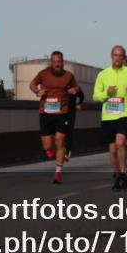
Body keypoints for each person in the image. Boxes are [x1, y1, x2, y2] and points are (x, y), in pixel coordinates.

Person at [93, 45, 127, 191]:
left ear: (124, 57)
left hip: (125, 113)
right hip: (108, 115)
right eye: (115, 55)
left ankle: (122, 174)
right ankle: (118, 175)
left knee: (121, 141)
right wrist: (106, 94)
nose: (117, 58)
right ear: (111, 56)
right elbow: (95, 95)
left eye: (120, 55)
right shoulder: (103, 74)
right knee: (112, 149)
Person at [29, 51, 79, 184]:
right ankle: (52, 151)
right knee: (47, 146)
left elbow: (76, 87)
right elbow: (32, 84)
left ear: (63, 62)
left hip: (62, 112)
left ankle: (58, 172)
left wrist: (74, 90)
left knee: (60, 139)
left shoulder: (69, 75)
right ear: (51, 62)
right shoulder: (43, 74)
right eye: (55, 61)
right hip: (45, 112)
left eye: (59, 61)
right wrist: (37, 91)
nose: (57, 64)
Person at [65, 85, 84, 160]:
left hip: (70, 112)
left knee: (68, 131)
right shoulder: (58, 86)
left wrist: (79, 103)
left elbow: (81, 96)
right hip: (59, 111)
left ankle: (67, 150)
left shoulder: (75, 87)